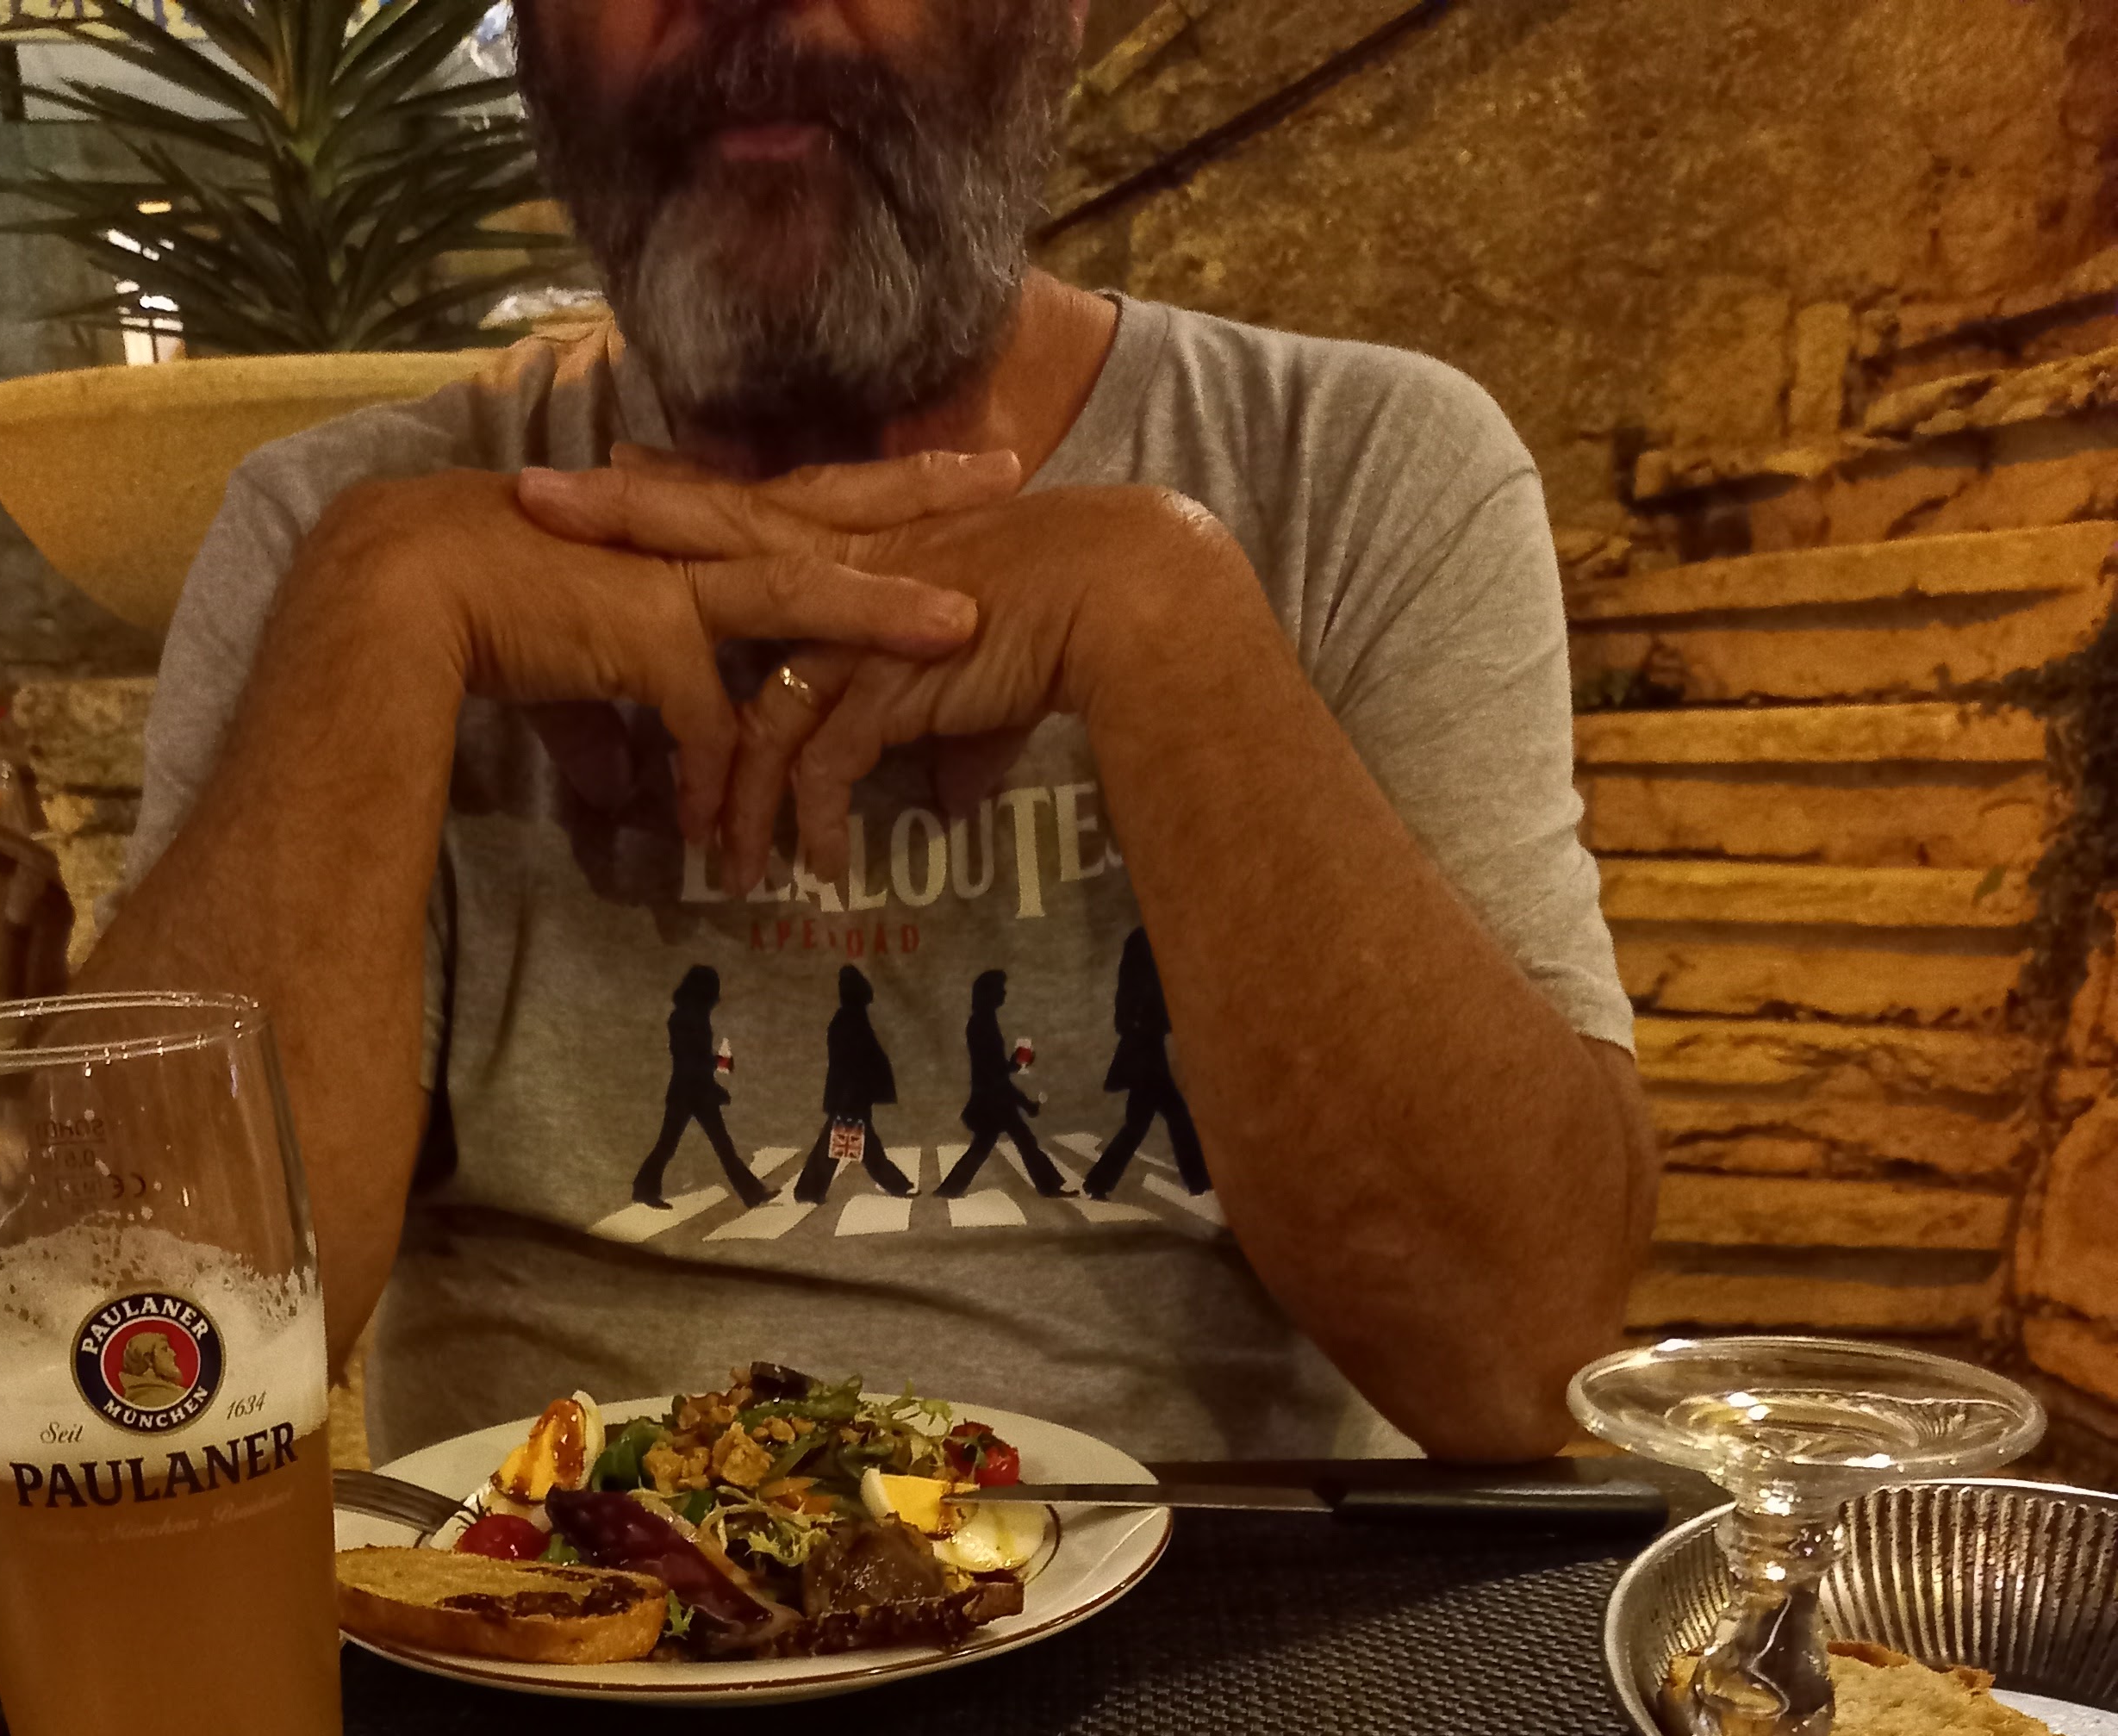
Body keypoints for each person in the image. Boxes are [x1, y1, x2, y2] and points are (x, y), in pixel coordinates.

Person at [96, 0, 1654, 1463]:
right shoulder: (338, 540)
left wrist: (1168, 628)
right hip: (551, 1619)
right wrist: (382, 617)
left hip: (1225, 1626)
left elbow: (1514, 1362)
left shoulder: (1359, 473)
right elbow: (129, 1390)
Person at [1083, 929, 1203, 1202]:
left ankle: (1098, 1181)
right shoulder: (1145, 948)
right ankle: (1198, 1181)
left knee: (1141, 1123)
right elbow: (1144, 1001)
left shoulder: (1142, 951)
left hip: (1147, 1047)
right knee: (1171, 1116)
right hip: (1145, 1049)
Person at [634, 960, 764, 1204]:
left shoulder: (686, 1016)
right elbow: (691, 1058)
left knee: (674, 1145)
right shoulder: (689, 1019)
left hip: (690, 1090)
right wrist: (718, 1064)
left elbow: (693, 1057)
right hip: (692, 1091)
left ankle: (644, 1190)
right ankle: (753, 1194)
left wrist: (714, 1068)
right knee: (713, 1146)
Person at [941, 968, 1064, 1199]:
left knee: (993, 1144)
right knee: (1020, 1141)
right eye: (1000, 988)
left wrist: (1013, 1066)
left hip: (992, 1096)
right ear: (988, 993)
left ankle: (949, 1190)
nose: (1004, 992)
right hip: (993, 1099)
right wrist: (1024, 1100)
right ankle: (1049, 1187)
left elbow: (994, 1068)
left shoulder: (983, 1021)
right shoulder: (982, 1024)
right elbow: (993, 1071)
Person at [794, 961, 906, 1198]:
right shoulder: (851, 1021)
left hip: (849, 1095)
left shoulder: (848, 1019)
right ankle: (897, 1185)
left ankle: (808, 1190)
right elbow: (855, 1063)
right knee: (856, 1146)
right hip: (851, 1096)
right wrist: (855, 1095)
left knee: (848, 1145)